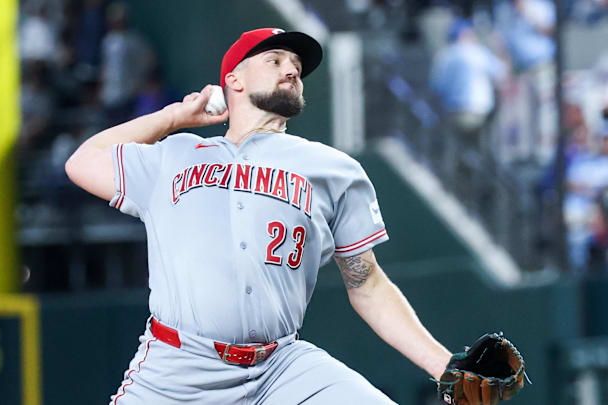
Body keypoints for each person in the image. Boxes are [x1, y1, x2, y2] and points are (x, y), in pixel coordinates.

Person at [65, 28, 451, 404]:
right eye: (275, 60)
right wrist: (172, 118)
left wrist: (446, 367)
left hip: (281, 369)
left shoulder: (333, 169)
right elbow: (82, 162)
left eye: (297, 65)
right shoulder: (174, 156)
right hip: (177, 372)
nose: (292, 70)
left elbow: (367, 285)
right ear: (233, 79)